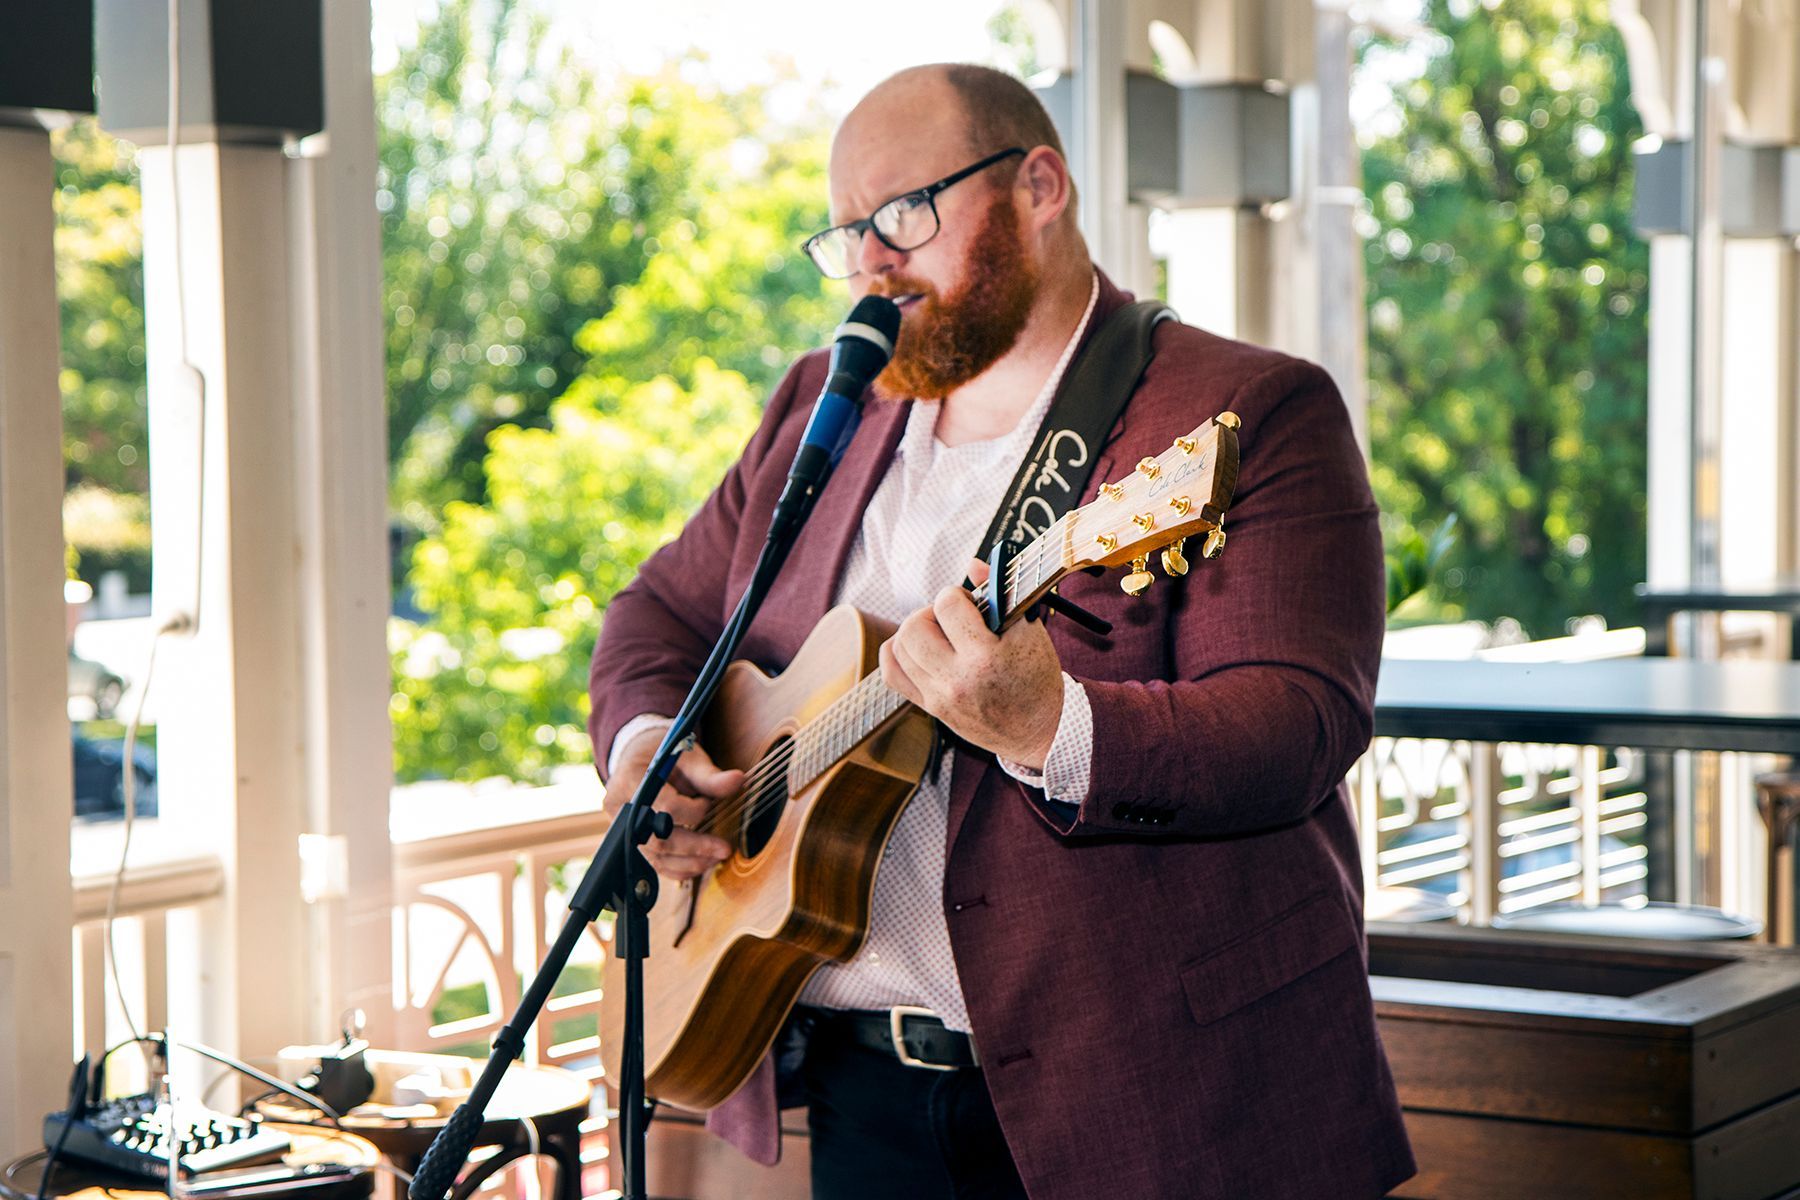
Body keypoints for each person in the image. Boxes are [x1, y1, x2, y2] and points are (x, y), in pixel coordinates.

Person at [588, 62, 1415, 1200]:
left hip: (1163, 1102)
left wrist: (1051, 726)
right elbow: (656, 614)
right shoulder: (821, 405)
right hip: (867, 1098)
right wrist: (648, 750)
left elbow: (1299, 725)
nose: (872, 260)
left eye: (902, 214)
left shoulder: (1243, 413)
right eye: (845, 234)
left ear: (1039, 185)